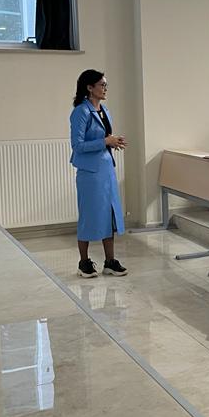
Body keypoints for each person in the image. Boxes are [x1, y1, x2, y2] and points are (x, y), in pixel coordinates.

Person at [69, 70, 127, 279]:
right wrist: (104, 142)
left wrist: (113, 142)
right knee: (89, 215)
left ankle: (110, 261)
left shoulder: (104, 111)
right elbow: (78, 145)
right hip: (90, 174)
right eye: (102, 85)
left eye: (106, 85)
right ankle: (84, 262)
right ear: (89, 87)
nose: (105, 89)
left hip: (106, 171)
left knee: (108, 214)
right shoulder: (81, 112)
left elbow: (104, 138)